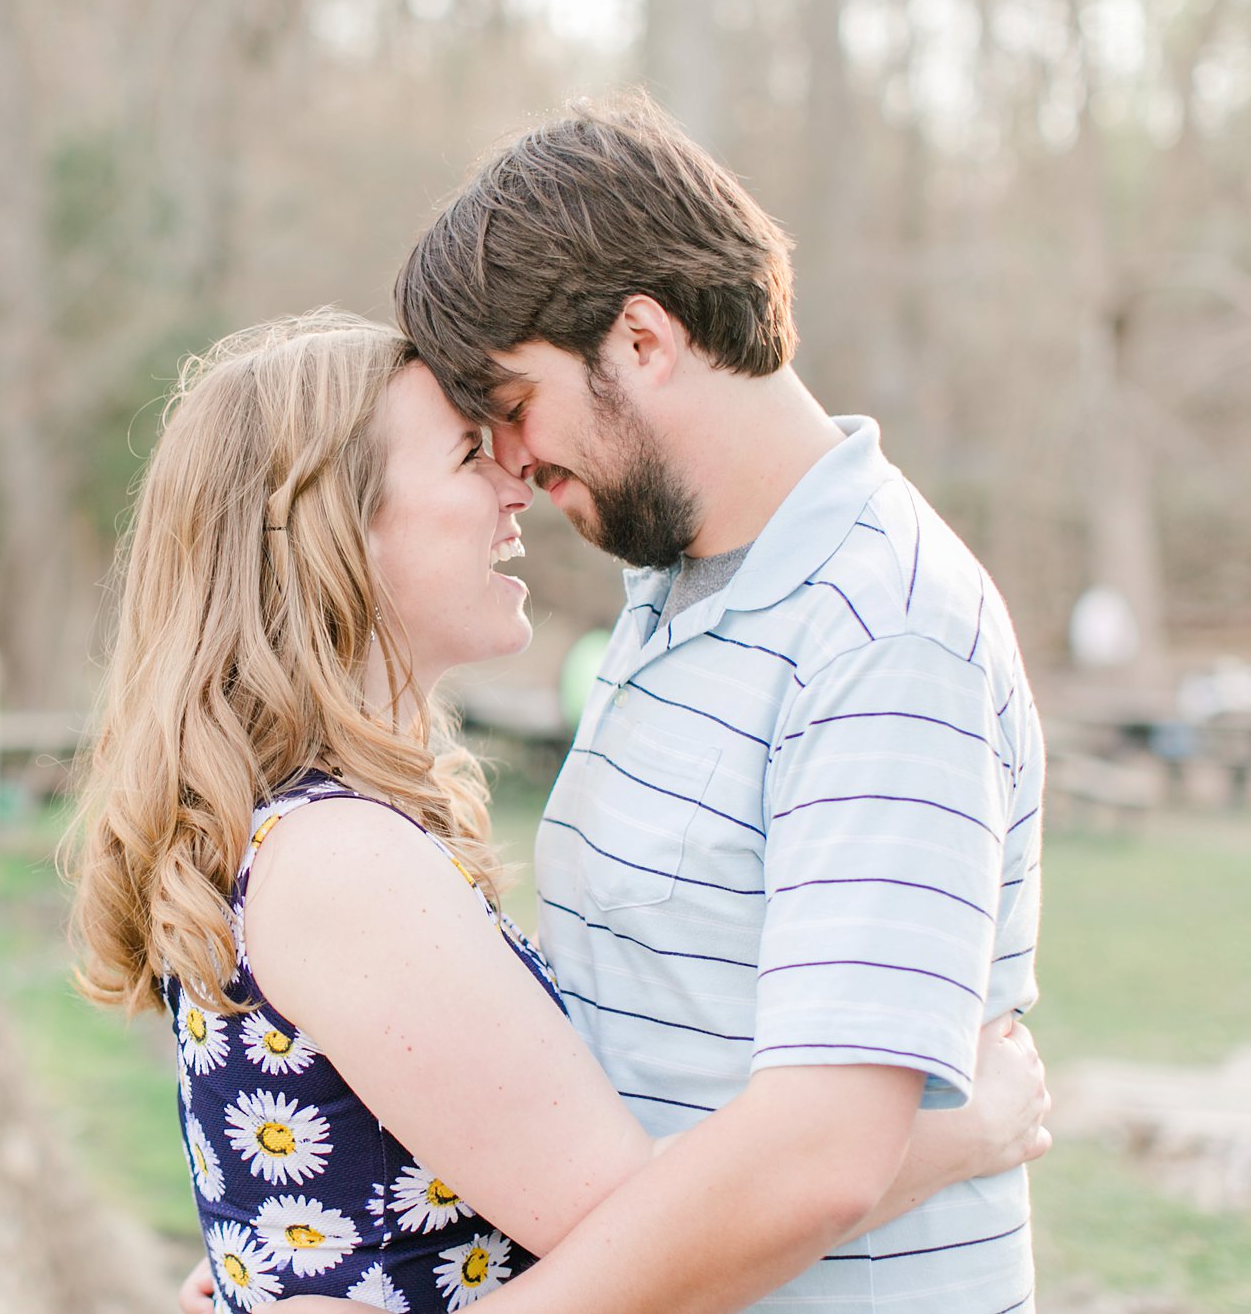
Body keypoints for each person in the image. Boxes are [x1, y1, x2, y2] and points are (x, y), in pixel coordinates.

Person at [61, 310, 1047, 1312]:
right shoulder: (336, 860)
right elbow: (636, 1239)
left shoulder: (307, 829)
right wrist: (963, 1130)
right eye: (465, 455)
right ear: (336, 531)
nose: (513, 480)